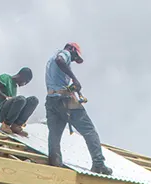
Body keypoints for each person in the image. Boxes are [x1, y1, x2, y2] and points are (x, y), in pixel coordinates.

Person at [44, 42, 112, 175]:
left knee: (54, 134)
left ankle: (55, 162)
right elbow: (60, 60)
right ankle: (98, 164)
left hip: (52, 100)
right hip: (65, 100)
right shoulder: (64, 54)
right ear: (71, 49)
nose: (74, 60)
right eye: (75, 56)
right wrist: (75, 80)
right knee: (89, 129)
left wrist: (71, 86)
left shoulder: (50, 61)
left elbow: (58, 82)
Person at [0, 67, 38, 136]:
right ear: (22, 76)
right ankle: (5, 125)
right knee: (21, 99)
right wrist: (5, 97)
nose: (24, 84)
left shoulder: (14, 87)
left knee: (33, 100)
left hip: (10, 112)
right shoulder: (5, 78)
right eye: (26, 82)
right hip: (1, 112)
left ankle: (16, 126)